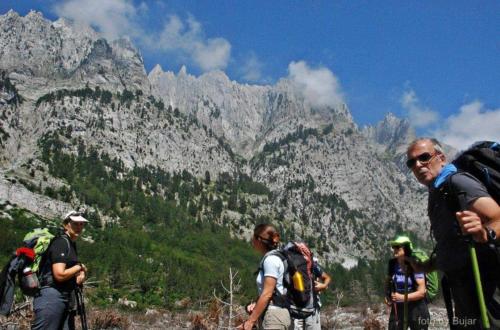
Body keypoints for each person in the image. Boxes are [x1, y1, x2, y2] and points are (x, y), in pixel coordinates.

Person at [406, 138, 500, 329]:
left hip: (486, 288)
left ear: (440, 157)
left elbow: (497, 217)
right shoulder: (438, 190)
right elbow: (451, 245)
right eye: (411, 162)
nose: (417, 165)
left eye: (424, 157)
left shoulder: (457, 182)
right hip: (463, 289)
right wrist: (426, 267)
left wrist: (484, 232)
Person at [32, 211, 89, 330]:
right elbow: (59, 275)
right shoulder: (61, 242)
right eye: (75, 223)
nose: (79, 227)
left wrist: (79, 275)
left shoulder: (70, 244)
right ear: (66, 224)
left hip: (64, 298)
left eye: (81, 224)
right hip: (51, 297)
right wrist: (80, 267)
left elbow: (69, 276)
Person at [239, 223, 291, 330]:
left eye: (253, 237)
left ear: (258, 239)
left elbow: (267, 293)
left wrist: (250, 322)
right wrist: (256, 304)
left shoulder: (270, 260)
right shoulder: (277, 257)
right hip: (278, 314)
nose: (252, 240)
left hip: (274, 317)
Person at [385, 235, 430, 330]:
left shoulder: (415, 264)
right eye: (393, 247)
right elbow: (388, 280)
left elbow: (421, 293)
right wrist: (388, 295)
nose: (394, 249)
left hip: (417, 307)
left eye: (397, 247)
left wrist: (401, 297)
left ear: (405, 249)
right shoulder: (392, 263)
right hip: (398, 307)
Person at [293, 257, 331, 330]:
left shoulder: (311, 264)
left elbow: (327, 278)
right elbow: (327, 278)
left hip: (301, 306)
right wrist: (323, 286)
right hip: (302, 307)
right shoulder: (311, 263)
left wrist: (323, 286)